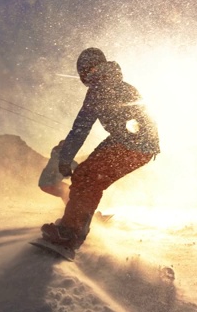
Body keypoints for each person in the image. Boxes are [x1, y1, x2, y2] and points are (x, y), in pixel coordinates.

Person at [40, 47, 160, 254]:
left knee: (87, 176)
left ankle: (71, 232)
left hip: (133, 143)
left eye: (84, 72)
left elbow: (81, 128)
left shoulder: (99, 87)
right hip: (133, 142)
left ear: (89, 69)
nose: (85, 77)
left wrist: (65, 159)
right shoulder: (114, 82)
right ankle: (73, 223)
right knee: (86, 175)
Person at [38, 140, 77, 205]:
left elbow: (71, 166)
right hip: (48, 184)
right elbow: (72, 165)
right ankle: (72, 211)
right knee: (67, 192)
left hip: (50, 183)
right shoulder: (59, 157)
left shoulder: (60, 156)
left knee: (68, 190)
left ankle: (72, 210)